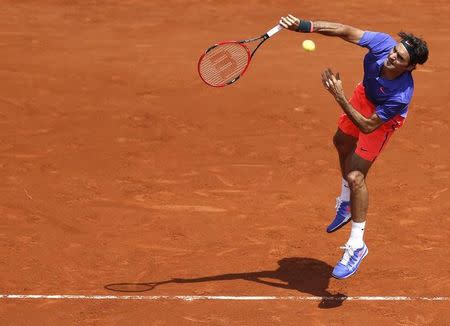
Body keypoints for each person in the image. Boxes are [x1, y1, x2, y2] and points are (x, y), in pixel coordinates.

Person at [279, 14, 429, 279]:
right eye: (395, 50)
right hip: (363, 96)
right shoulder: (382, 44)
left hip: (379, 119)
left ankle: (357, 245)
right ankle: (347, 203)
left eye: (400, 58)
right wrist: (306, 26)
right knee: (340, 142)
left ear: (409, 68)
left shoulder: (400, 94)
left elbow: (368, 126)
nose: (392, 57)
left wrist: (338, 96)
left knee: (356, 175)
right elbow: (344, 30)